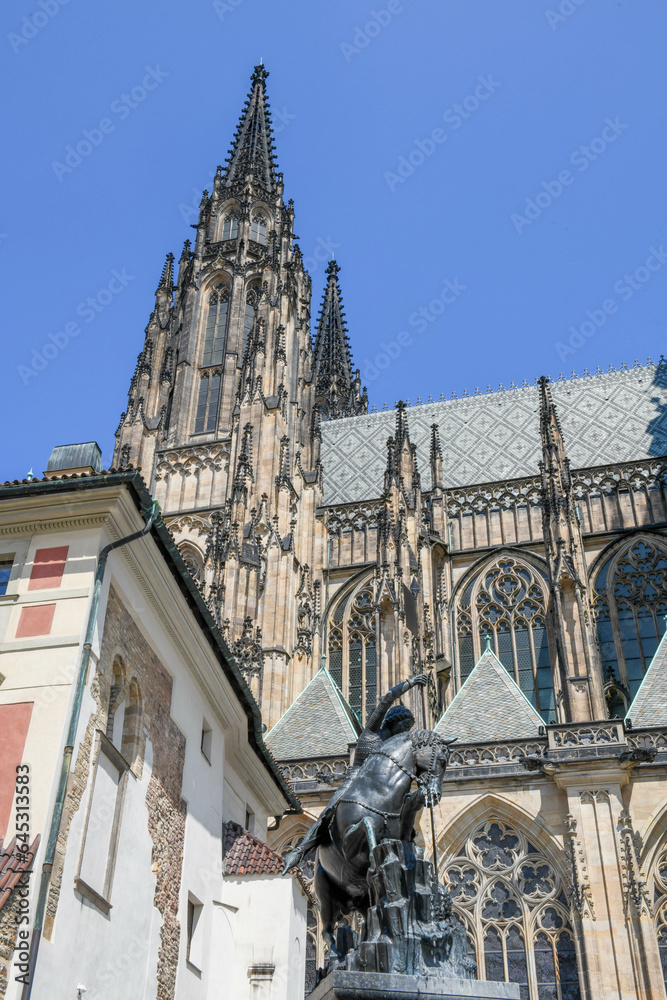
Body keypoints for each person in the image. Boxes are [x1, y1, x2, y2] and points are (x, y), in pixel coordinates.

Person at [282, 672, 428, 873]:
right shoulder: (372, 733)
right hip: (355, 779)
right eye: (404, 726)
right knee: (328, 812)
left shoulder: (394, 746)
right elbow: (387, 699)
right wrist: (410, 683)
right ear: (393, 722)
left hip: (379, 789)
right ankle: (299, 851)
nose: (405, 732)